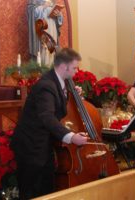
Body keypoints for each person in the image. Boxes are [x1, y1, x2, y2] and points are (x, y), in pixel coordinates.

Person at [11, 48, 89, 200]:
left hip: (42, 145)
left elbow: (57, 107)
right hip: (31, 147)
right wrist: (71, 137)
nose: (76, 71)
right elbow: (47, 117)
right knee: (31, 192)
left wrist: (67, 94)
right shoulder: (46, 85)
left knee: (46, 190)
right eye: (74, 68)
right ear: (63, 67)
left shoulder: (56, 82)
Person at [28, 0, 63, 66]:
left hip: (52, 27)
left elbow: (58, 21)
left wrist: (59, 15)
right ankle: (44, 68)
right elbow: (31, 11)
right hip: (42, 27)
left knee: (51, 47)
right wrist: (43, 7)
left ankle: (51, 66)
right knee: (44, 47)